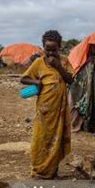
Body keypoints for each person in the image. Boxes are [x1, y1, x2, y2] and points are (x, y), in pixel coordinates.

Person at [21, 30, 74, 179]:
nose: (50, 53)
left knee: (57, 138)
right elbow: (24, 79)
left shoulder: (64, 61)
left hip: (60, 109)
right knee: (42, 138)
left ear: (60, 47)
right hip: (45, 108)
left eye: (54, 49)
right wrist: (36, 81)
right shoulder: (39, 62)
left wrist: (58, 66)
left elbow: (70, 80)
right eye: (47, 49)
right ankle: (39, 170)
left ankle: (53, 171)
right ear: (43, 46)